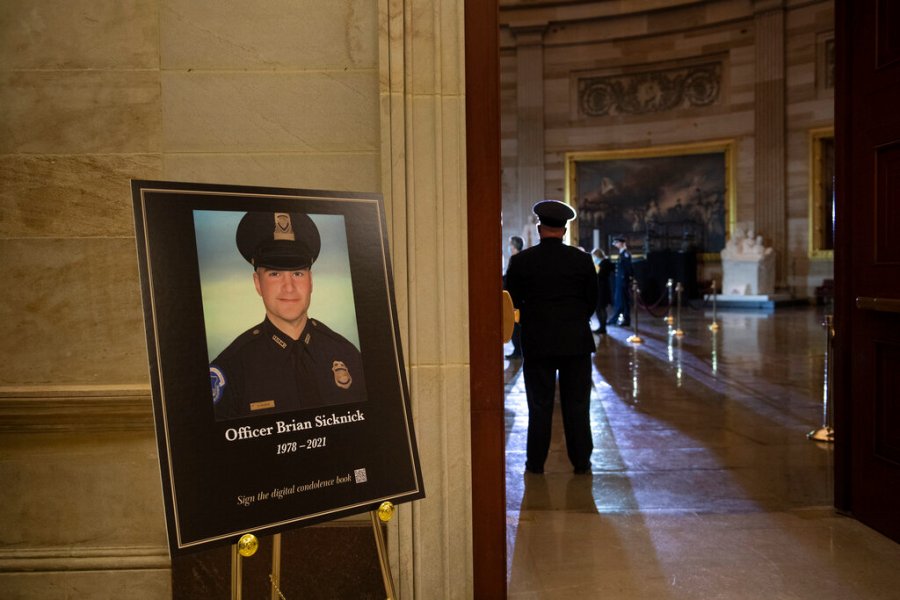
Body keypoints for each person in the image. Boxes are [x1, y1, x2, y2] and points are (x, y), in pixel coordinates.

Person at [210, 211, 367, 420]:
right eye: (275, 274)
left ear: (311, 281)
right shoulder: (231, 368)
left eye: (297, 273)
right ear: (257, 283)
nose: (289, 287)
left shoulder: (348, 355)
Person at [505, 200, 598, 474]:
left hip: (538, 342)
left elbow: (512, 302)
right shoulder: (582, 260)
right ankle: (581, 462)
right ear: (565, 230)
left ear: (538, 228)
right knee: (578, 405)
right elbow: (592, 301)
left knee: (539, 405)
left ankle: (535, 463)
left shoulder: (521, 261)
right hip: (575, 343)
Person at [504, 235, 525, 359]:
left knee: (515, 325)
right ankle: (518, 349)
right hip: (517, 296)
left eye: (510, 244)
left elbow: (512, 278)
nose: (509, 247)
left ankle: (518, 350)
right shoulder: (519, 258)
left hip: (514, 297)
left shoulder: (516, 259)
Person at [607, 236, 634, 327]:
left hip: (623, 280)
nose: (616, 245)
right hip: (620, 280)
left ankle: (617, 319)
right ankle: (625, 319)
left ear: (622, 243)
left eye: (617, 243)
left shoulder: (625, 253)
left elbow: (628, 268)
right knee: (623, 301)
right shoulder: (622, 253)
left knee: (622, 300)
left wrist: (627, 278)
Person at [591, 248, 614, 335]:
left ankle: (602, 327)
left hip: (602, 289)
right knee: (600, 308)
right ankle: (602, 327)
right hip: (602, 288)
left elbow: (599, 275)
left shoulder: (603, 264)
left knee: (600, 308)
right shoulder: (604, 263)